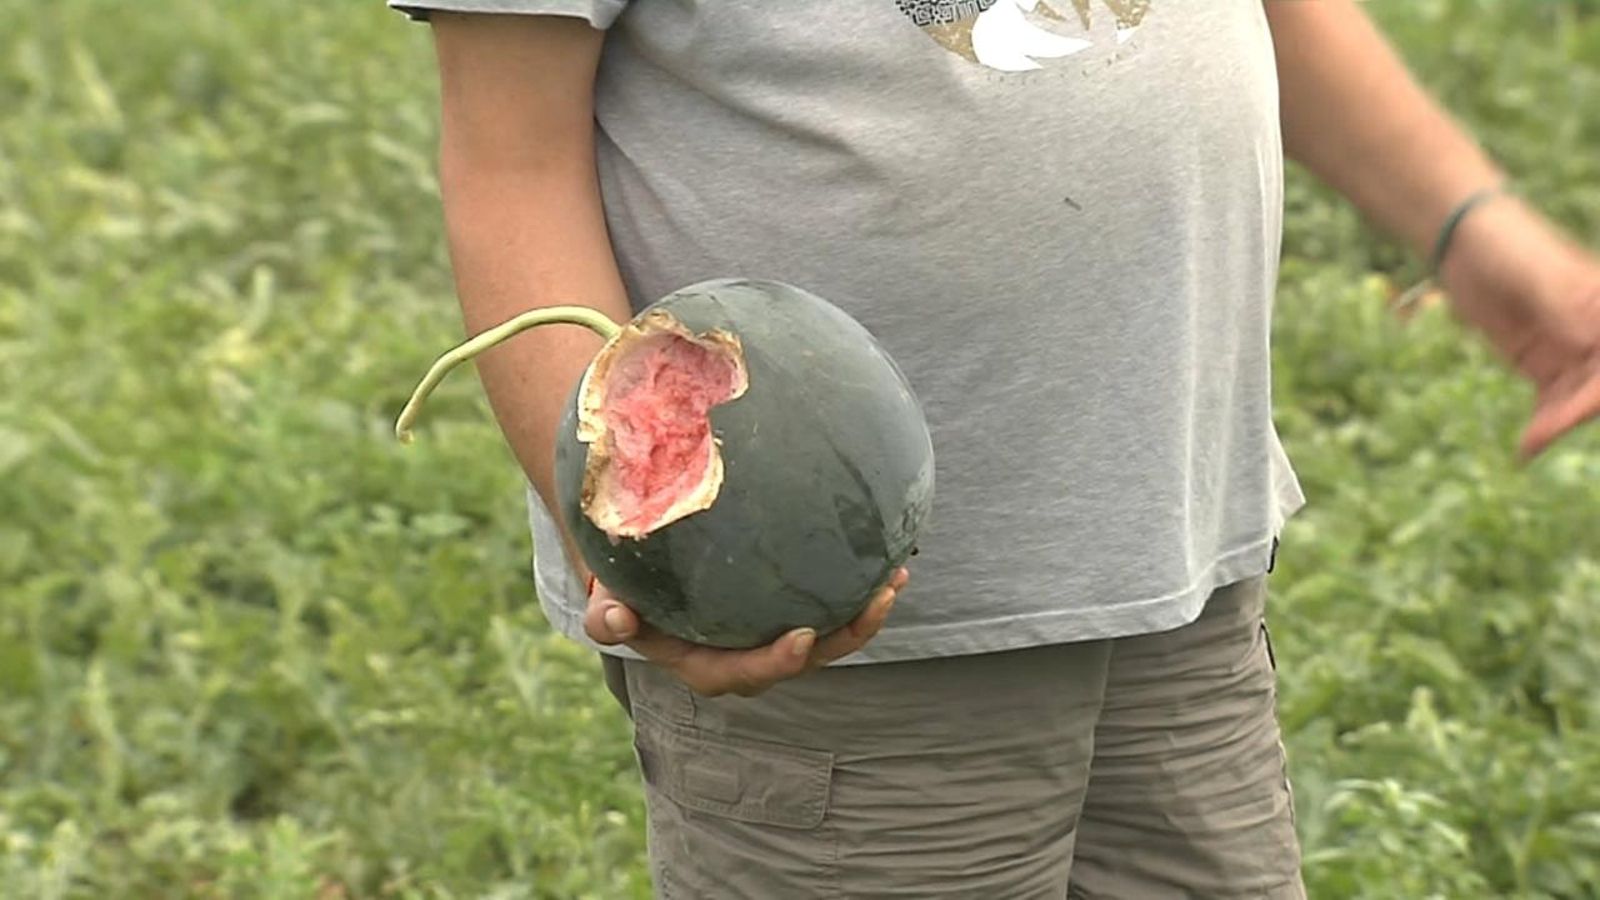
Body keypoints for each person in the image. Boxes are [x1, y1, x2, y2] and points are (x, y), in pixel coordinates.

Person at [391, 1, 1600, 895]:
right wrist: (642, 559)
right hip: (833, 650)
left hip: (1173, 582)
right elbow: (509, 157)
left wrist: (1478, 238)